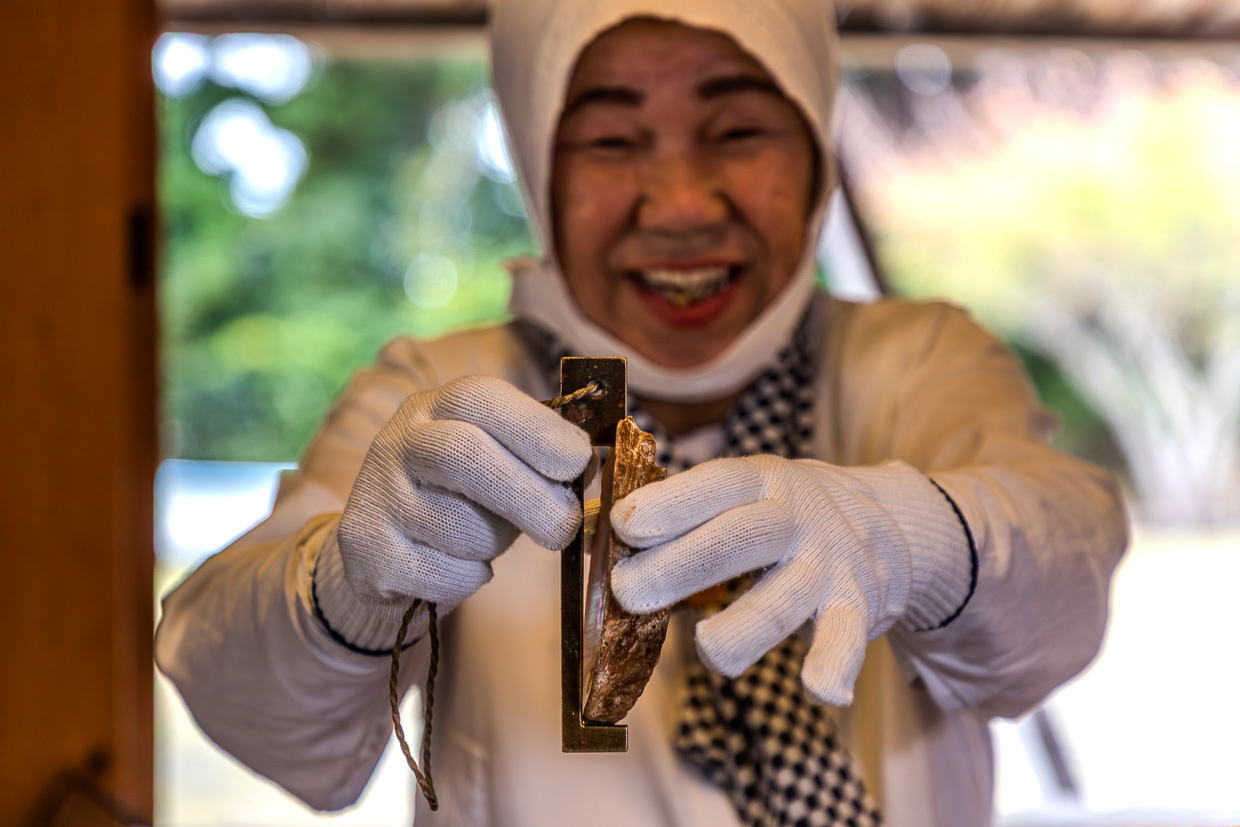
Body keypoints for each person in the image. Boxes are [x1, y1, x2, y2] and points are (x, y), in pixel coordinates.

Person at [154, 1, 1129, 825]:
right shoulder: (441, 396)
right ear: (538, 163)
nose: (678, 204)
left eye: (739, 129)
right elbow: (250, 707)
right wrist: (343, 584)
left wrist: (914, 536)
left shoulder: (913, 361)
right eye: (611, 141)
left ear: (817, 147)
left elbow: (1066, 580)